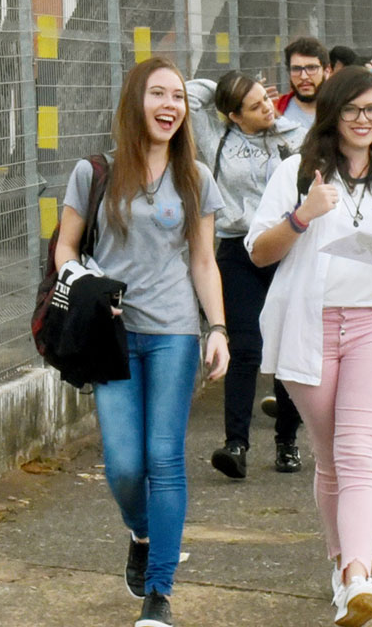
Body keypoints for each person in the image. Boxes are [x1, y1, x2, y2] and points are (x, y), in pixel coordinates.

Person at [246, 67, 372, 626]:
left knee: (357, 456)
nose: (363, 120)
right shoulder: (295, 172)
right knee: (331, 458)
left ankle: (358, 576)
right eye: (352, 110)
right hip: (312, 330)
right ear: (332, 113)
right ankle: (340, 566)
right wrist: (302, 215)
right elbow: (258, 252)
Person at [57, 57, 231, 627]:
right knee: (124, 467)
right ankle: (141, 531)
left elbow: (205, 262)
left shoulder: (196, 178)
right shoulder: (95, 171)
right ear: (137, 102)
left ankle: (160, 594)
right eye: (158, 94)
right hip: (112, 335)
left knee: (165, 458)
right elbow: (64, 249)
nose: (170, 105)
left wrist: (219, 329)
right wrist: (84, 282)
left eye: (178, 97)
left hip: (175, 332)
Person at [187, 70, 310, 479]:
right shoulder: (217, 138)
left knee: (287, 342)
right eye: (256, 106)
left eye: (267, 99)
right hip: (237, 250)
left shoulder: (293, 135)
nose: (268, 109)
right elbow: (188, 95)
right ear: (233, 116)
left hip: (284, 246)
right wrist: (228, 86)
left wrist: (249, 92)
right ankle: (235, 443)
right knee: (246, 346)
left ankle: (287, 441)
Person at [278, 37, 329, 129]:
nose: (303, 76)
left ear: (326, 71)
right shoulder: (275, 111)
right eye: (296, 69)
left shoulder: (342, 111)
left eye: (311, 68)